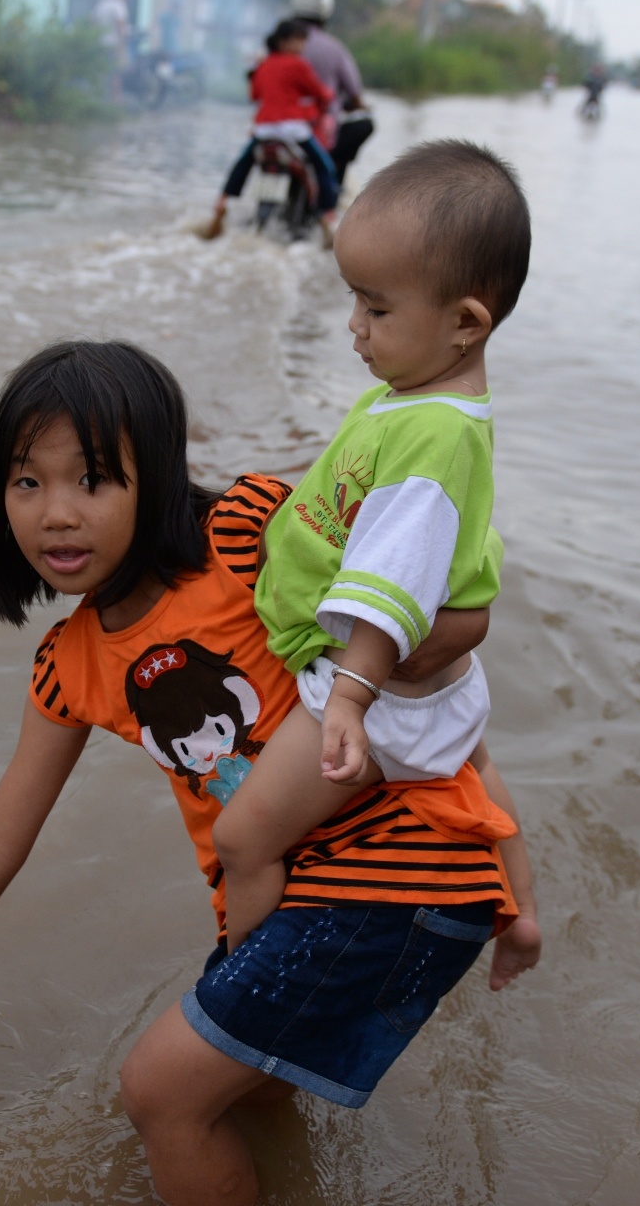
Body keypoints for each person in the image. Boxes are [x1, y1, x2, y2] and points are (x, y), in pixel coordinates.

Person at [0, 341, 543, 1206]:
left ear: (159, 477)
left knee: (159, 1092)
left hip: (388, 872)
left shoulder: (247, 534)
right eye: (27, 482)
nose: (56, 514)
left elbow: (418, 629)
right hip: (285, 902)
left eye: (92, 480)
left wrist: (515, 879)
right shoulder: (72, 663)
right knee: (245, 1097)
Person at [211, 141, 531, 949]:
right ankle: (520, 918)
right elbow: (359, 495)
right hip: (428, 691)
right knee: (475, 769)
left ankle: (239, 990)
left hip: (373, 691)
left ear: (464, 322)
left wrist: (347, 702)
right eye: (353, 301)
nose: (354, 327)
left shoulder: (432, 436)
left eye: (376, 310)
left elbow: (391, 584)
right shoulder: (421, 398)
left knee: (242, 841)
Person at [200, 19, 339, 241]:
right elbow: (320, 93)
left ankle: (222, 203)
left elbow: (254, 96)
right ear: (283, 41)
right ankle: (327, 217)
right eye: (299, 40)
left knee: (242, 164)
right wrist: (329, 96)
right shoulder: (298, 64)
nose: (302, 45)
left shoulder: (262, 65)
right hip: (294, 131)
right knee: (325, 166)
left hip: (264, 130)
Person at [289, 0, 373, 185]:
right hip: (316, 129)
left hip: (273, 125)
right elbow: (354, 92)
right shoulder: (334, 49)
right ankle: (331, 186)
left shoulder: (276, 44)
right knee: (365, 125)